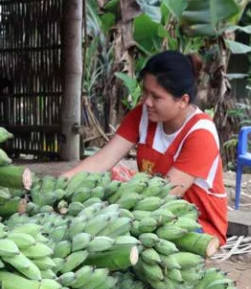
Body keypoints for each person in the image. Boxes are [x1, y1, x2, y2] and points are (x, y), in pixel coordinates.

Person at [62, 51, 228, 244]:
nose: (146, 102)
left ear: (182, 101)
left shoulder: (201, 134)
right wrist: (62, 182)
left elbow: (165, 193)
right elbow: (102, 160)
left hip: (197, 225)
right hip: (151, 212)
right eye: (145, 92)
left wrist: (111, 203)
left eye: (156, 97)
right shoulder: (143, 115)